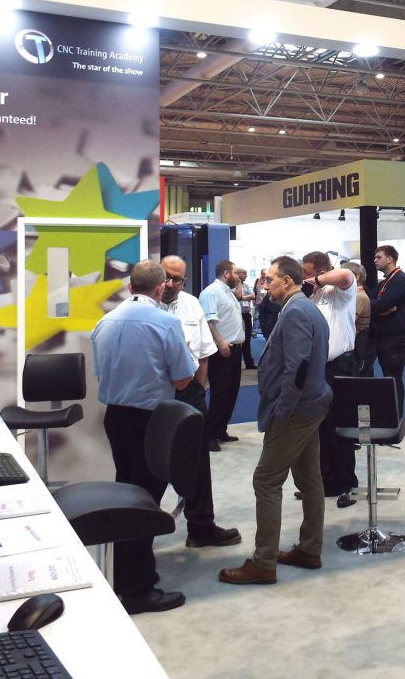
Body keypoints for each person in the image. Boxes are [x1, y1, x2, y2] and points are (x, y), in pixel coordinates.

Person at [91, 260, 199, 614]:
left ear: (129, 286)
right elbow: (182, 379)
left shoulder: (105, 322)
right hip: (150, 421)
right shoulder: (165, 323)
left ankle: (123, 574)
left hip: (116, 418)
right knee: (145, 501)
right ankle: (138, 588)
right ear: (160, 287)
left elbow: (100, 371)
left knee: (127, 492)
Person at [218, 256, 333, 585]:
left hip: (296, 411)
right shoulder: (304, 308)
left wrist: (282, 411)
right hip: (309, 406)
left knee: (266, 480)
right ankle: (309, 549)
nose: (265, 285)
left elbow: (297, 369)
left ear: (287, 281)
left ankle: (263, 562)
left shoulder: (296, 311)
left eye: (270, 279)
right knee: (309, 479)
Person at [157, 256, 242, 548]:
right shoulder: (146, 307)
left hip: (190, 393)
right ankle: (142, 529)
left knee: (196, 463)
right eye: (166, 277)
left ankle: (201, 527)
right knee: (152, 463)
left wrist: (197, 388)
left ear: (184, 281)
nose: (170, 284)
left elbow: (204, 352)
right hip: (155, 395)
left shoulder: (192, 304)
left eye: (176, 279)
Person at [302, 251, 359, 507]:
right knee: (320, 427)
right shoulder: (310, 295)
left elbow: (346, 274)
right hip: (317, 368)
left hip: (340, 366)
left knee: (340, 425)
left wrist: (317, 281)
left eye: (307, 272)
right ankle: (325, 480)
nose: (304, 277)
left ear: (322, 271)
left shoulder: (340, 291)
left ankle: (346, 481)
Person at [200, 260, 245, 451]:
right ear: (226, 273)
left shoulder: (227, 292)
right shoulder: (211, 292)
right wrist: (220, 343)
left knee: (231, 393)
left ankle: (220, 430)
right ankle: (210, 435)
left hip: (234, 350)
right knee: (220, 394)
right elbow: (208, 321)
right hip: (222, 351)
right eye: (235, 272)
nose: (238, 276)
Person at [371, 245, 405, 408]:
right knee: (388, 377)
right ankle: (390, 413)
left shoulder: (402, 279)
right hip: (386, 336)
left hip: (397, 338)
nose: (375, 260)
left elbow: (382, 304)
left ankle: (396, 416)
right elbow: (373, 301)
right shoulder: (386, 282)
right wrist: (380, 307)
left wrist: (381, 307)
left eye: (379, 257)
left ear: (390, 259)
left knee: (393, 377)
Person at [344, 261, 373, 377]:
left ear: (356, 277)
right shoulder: (355, 295)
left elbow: (348, 321)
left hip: (359, 342)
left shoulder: (359, 297)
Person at [235, 267, 257, 370]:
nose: (246, 276)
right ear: (238, 274)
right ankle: (237, 363)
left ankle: (249, 363)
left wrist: (242, 298)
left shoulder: (246, 286)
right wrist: (242, 297)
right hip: (238, 315)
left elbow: (253, 296)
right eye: (244, 273)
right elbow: (236, 296)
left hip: (246, 315)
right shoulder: (233, 286)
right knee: (238, 340)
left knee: (247, 339)